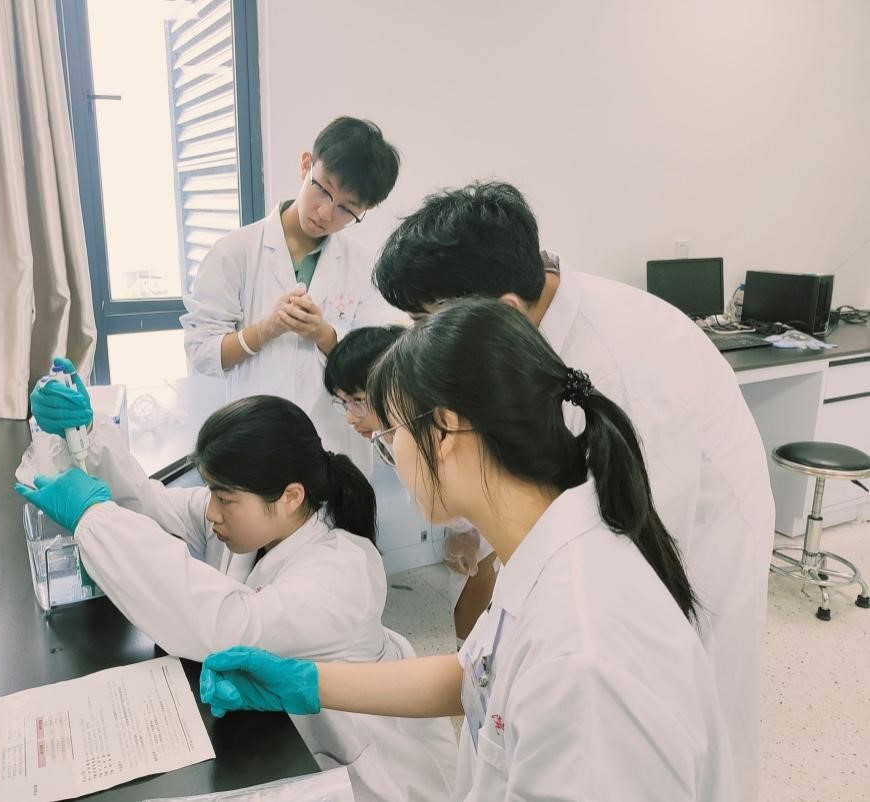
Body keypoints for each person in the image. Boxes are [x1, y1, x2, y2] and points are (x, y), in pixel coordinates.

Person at [198, 299, 737, 801]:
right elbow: (475, 675)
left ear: (445, 432)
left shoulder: (582, 659)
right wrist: (304, 682)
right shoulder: (547, 548)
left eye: (390, 437)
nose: (392, 456)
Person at [371, 182, 774, 801]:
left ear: (505, 309)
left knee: (663, 730)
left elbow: (634, 566)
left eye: (430, 320)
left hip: (690, 548)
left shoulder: (626, 376)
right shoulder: (530, 327)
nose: (422, 340)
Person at [17, 367, 457, 802]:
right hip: (284, 740)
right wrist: (87, 435)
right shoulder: (251, 519)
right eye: (211, 491)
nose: (211, 510)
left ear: (291, 497)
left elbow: (227, 626)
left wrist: (94, 517)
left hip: (362, 769)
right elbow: (149, 504)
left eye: (224, 498)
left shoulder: (343, 573)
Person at [180, 116, 403, 468]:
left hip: (336, 453)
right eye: (322, 189)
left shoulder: (364, 268)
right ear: (306, 165)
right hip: (256, 447)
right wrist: (264, 330)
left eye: (346, 208)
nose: (325, 212)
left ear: (366, 209)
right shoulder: (233, 253)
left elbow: (381, 364)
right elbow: (202, 353)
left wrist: (324, 335)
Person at [324, 325, 494, 641]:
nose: (349, 417)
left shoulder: (440, 436)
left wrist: (470, 534)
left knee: (476, 612)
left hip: (494, 526)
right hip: (473, 526)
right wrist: (463, 532)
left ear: (396, 385)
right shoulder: (390, 436)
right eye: (343, 402)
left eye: (358, 400)